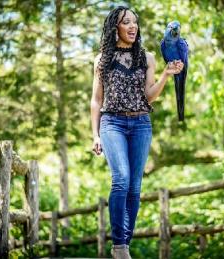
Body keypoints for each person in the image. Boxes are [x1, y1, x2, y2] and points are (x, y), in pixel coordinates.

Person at [90, 6, 184, 259]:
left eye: (135, 22)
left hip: (141, 123)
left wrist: (165, 74)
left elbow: (148, 96)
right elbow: (96, 101)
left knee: (134, 187)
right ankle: (119, 247)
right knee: (120, 178)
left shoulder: (148, 58)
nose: (133, 27)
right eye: (126, 22)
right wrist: (95, 134)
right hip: (112, 124)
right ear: (115, 28)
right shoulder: (101, 60)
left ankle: (123, 245)